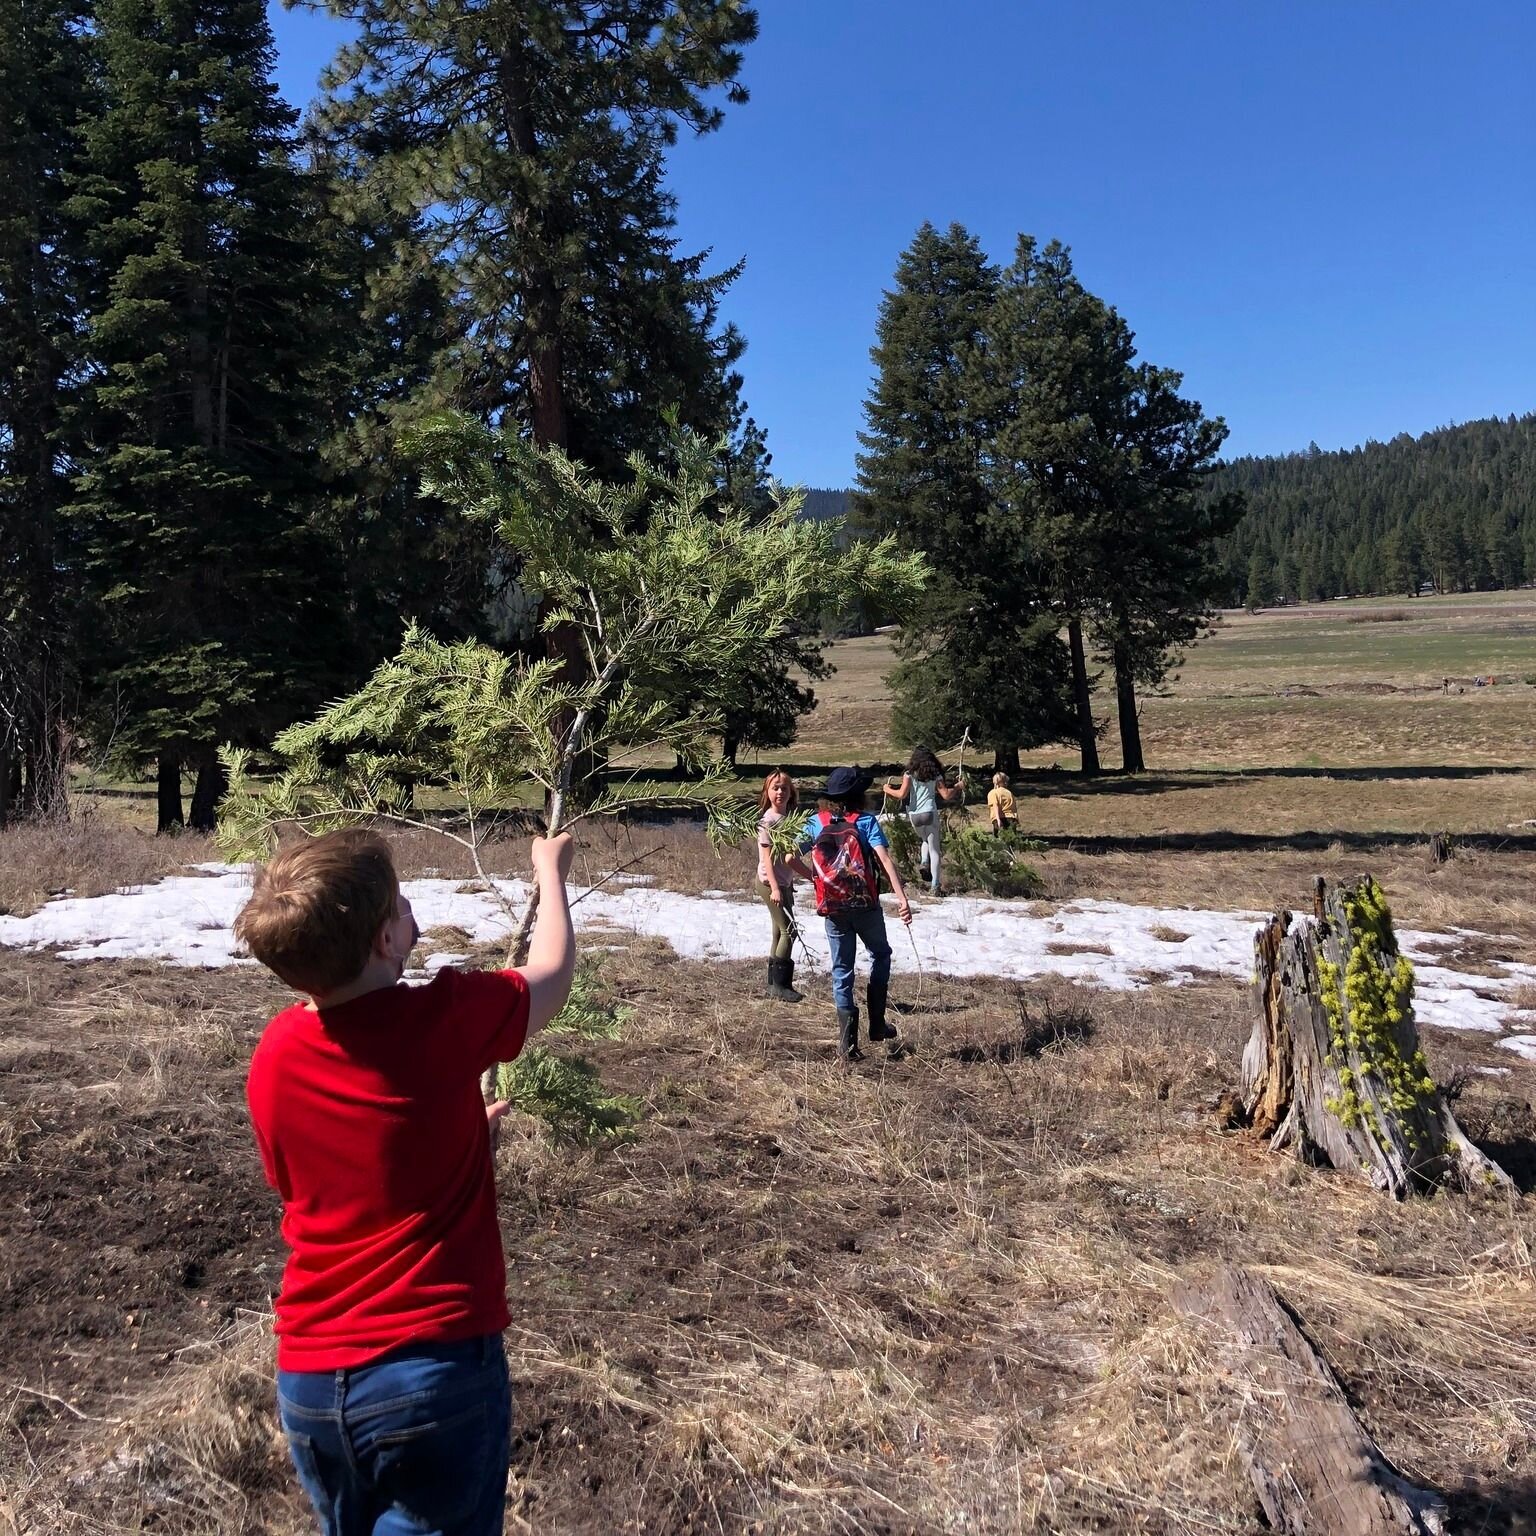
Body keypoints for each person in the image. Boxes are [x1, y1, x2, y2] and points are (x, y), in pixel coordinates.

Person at [236, 827, 577, 1536]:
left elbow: (311, 1182)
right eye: (398, 903)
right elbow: (551, 977)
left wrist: (452, 1140)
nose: (409, 905)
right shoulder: (443, 1018)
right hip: (430, 1374)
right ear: (387, 942)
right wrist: (551, 876)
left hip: (308, 1380)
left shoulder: (274, 1055)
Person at [789, 766, 913, 1062]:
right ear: (859, 794)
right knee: (880, 954)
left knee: (841, 968)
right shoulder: (866, 821)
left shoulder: (815, 822)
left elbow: (788, 856)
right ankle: (878, 1024)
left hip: (833, 908)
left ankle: (847, 1045)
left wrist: (814, 878)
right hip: (865, 905)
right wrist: (901, 898)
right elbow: (884, 859)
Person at [885, 746, 965, 897]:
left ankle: (923, 861)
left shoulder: (909, 774)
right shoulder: (934, 775)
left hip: (914, 814)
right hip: (929, 812)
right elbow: (946, 795)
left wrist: (887, 789)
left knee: (924, 839)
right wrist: (957, 787)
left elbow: (902, 794)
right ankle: (935, 885)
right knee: (935, 850)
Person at [756, 768, 804, 1003]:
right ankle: (780, 985)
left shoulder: (787, 818)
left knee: (778, 931)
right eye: (775, 787)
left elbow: (786, 857)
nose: (780, 792)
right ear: (767, 791)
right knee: (789, 930)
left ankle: (772, 982)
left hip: (783, 883)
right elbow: (767, 859)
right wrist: (775, 888)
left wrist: (788, 883)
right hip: (768, 882)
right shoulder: (768, 820)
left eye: (784, 788)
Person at [987, 771, 1018, 836]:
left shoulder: (993, 793)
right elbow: (1014, 807)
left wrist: (998, 819)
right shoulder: (1009, 793)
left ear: (995, 782)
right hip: (1012, 818)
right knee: (1011, 841)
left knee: (999, 843)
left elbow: (995, 805)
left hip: (1000, 819)